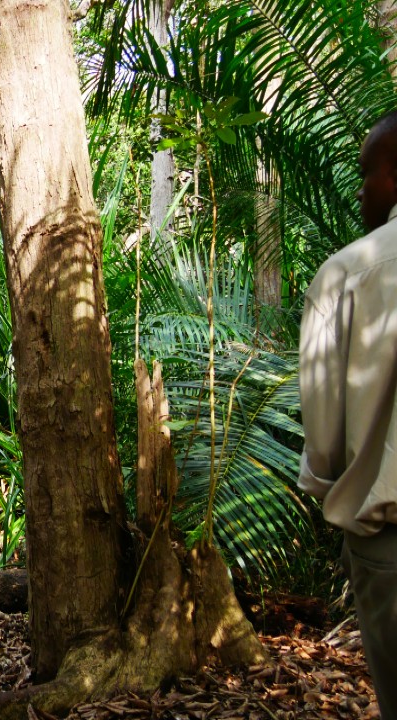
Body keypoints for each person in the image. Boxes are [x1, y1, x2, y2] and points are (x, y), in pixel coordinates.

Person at [300, 110, 397, 718]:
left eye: (370, 174)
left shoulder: (347, 275)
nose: (361, 190)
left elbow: (326, 437)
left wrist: (332, 487)